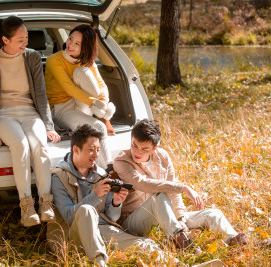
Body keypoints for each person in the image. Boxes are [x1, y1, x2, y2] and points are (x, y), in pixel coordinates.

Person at [113, 119, 248, 253]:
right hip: (134, 221)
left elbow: (173, 193)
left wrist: (180, 217)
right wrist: (183, 187)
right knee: (158, 195)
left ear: (154, 148)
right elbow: (144, 184)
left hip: (166, 217)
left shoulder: (163, 156)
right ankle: (183, 243)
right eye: (134, 145)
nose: (137, 152)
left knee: (213, 213)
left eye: (144, 149)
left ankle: (236, 241)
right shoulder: (122, 161)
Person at [47, 124, 168, 267]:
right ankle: (99, 263)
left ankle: (175, 264)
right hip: (74, 236)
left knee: (145, 244)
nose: (96, 155)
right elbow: (68, 217)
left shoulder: (101, 175)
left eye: (98, 150)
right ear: (76, 150)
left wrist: (116, 203)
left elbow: (111, 218)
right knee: (86, 210)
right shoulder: (58, 177)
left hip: (103, 231)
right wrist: (95, 194)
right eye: (91, 150)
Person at [0, 16, 61, 227]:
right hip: (4, 115)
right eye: (20, 39)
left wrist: (48, 126)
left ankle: (46, 202)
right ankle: (26, 205)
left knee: (41, 146)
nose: (26, 43)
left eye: (27, 38)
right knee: (20, 145)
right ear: (5, 40)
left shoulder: (32, 57)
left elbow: (41, 95)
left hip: (29, 113)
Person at [45, 24, 115, 168]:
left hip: (82, 104)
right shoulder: (54, 60)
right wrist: (93, 104)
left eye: (77, 43)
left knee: (82, 72)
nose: (70, 45)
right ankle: (108, 168)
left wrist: (103, 102)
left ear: (85, 48)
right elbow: (69, 88)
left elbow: (101, 85)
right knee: (99, 128)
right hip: (61, 108)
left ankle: (103, 113)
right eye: (70, 39)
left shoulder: (87, 60)